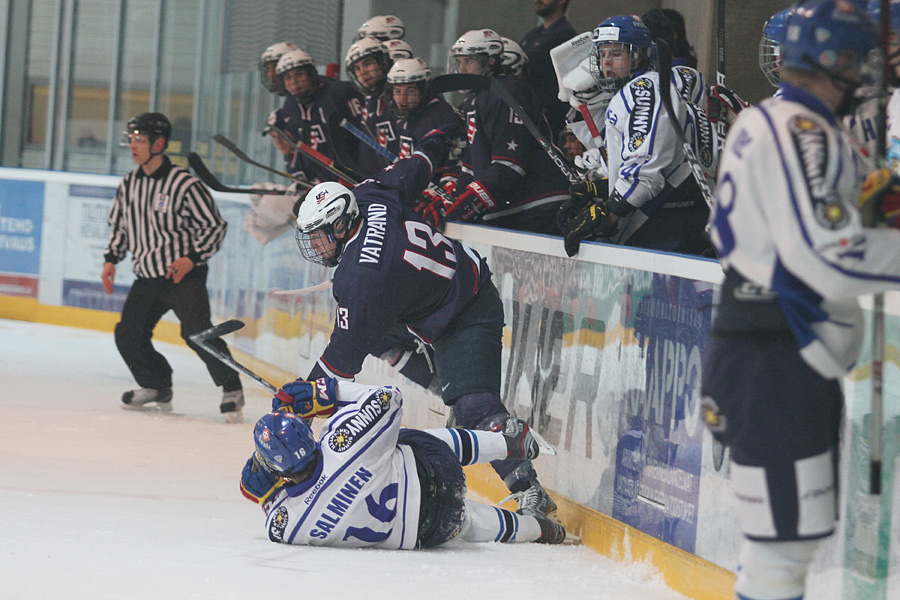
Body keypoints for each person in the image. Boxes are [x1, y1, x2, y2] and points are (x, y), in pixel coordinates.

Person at [699, 3, 900, 599]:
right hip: (774, 358)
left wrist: (869, 204)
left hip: (770, 354)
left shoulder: (779, 122)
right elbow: (826, 257)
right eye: (857, 59)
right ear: (832, 60)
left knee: (786, 546)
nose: (867, 73)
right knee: (780, 553)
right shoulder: (800, 130)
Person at [289, 129, 559, 518]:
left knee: (473, 408)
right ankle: (443, 381)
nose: (317, 249)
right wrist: (436, 136)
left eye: (320, 239)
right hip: (429, 297)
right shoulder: (372, 193)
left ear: (344, 223)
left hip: (465, 309)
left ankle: (528, 487)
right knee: (379, 336)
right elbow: (419, 163)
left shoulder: (360, 280)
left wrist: (299, 401)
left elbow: (339, 362)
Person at [239, 380, 567, 548]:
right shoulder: (343, 439)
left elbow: (268, 498)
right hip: (436, 468)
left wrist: (268, 489)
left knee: (466, 522)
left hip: (428, 530)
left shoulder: (287, 526)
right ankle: (510, 443)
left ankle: (543, 531)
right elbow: (388, 396)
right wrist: (325, 391)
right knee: (400, 438)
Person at [102, 113, 244, 423]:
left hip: (183, 275)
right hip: (148, 277)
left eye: (140, 140)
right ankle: (156, 386)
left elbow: (214, 227)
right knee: (128, 334)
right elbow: (120, 227)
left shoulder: (185, 183)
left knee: (197, 333)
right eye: (132, 140)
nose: (133, 146)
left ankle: (231, 388)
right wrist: (111, 259)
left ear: (160, 144)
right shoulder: (129, 184)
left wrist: (191, 258)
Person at [561, 15, 714, 256]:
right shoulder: (633, 91)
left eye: (616, 54)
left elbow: (645, 174)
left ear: (639, 55)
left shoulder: (644, 89)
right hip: (671, 215)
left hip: (666, 220)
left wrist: (609, 214)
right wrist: (604, 186)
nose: (607, 62)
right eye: (602, 55)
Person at [430, 28, 569, 235]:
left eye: (469, 62)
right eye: (459, 62)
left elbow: (510, 163)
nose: (461, 69)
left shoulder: (505, 91)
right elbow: (472, 165)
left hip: (539, 204)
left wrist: (468, 204)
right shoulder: (473, 99)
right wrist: (453, 199)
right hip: (514, 208)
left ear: (491, 61)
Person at [270, 48, 364, 182]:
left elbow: (364, 139)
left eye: (299, 74)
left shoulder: (341, 93)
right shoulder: (290, 108)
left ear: (312, 74)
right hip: (324, 185)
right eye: (288, 77)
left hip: (357, 180)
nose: (294, 81)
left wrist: (356, 175)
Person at [519, 0, 577, 138]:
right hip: (526, 112)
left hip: (546, 119)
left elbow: (526, 65)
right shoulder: (534, 34)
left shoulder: (564, 34)